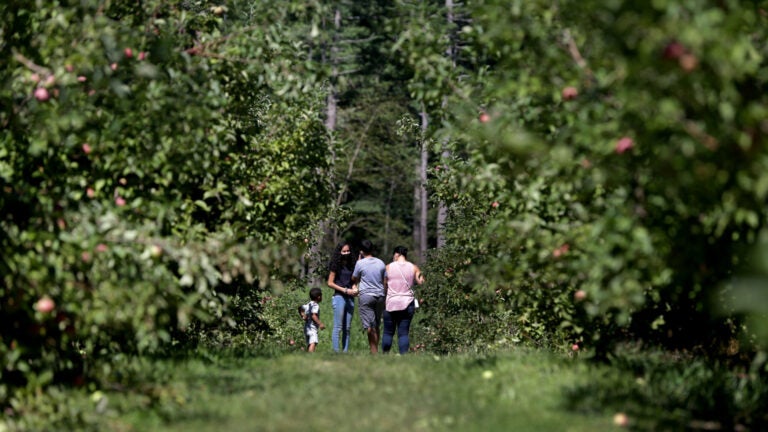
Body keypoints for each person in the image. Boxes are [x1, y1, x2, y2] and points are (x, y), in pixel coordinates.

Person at [382, 246, 424, 354]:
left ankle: (385, 355)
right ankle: (403, 357)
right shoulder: (414, 267)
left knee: (387, 332)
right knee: (403, 333)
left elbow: (384, 285)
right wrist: (422, 297)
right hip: (407, 303)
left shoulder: (388, 267)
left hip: (391, 303)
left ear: (396, 254)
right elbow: (423, 283)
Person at [351, 239, 386, 354]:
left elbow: (354, 278)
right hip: (380, 295)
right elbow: (384, 280)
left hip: (366, 296)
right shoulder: (381, 262)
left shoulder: (360, 263)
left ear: (361, 251)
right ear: (372, 249)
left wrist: (358, 261)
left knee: (370, 326)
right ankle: (375, 350)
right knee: (376, 325)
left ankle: (374, 352)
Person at [326, 242, 358, 352]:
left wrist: (355, 288)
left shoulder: (352, 265)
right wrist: (344, 290)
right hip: (339, 297)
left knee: (347, 328)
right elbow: (330, 283)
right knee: (338, 327)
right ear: (339, 252)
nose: (346, 253)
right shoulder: (335, 266)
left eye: (348, 251)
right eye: (344, 251)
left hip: (350, 298)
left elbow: (353, 282)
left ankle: (345, 352)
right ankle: (336, 352)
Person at [299, 287, 326, 352]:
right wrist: (320, 324)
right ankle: (310, 357)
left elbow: (300, 307)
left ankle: (307, 357)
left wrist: (303, 315)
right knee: (314, 342)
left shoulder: (308, 304)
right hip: (312, 328)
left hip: (307, 328)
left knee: (309, 343)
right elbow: (313, 315)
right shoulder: (315, 305)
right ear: (319, 297)